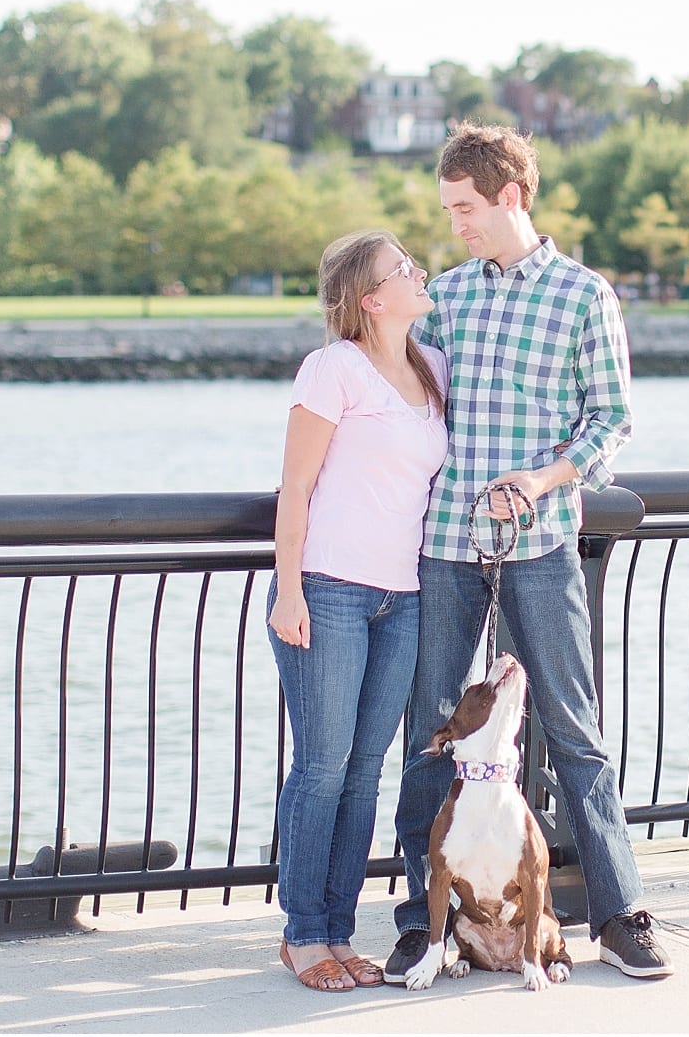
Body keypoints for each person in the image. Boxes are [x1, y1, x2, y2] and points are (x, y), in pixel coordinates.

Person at [384, 124, 673, 983]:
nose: (456, 225)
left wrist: (544, 479)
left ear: (510, 196)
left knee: (575, 732)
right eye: (448, 210)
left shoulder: (585, 296)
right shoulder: (447, 296)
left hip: (542, 543)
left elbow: (612, 420)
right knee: (427, 736)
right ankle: (420, 920)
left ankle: (621, 915)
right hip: (441, 545)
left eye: (465, 208)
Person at [266, 230, 447, 993]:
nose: (418, 270)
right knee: (321, 768)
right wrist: (290, 588)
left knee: (366, 770)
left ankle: (339, 930)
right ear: (371, 298)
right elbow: (296, 487)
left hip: (400, 597)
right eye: (402, 268)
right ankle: (304, 933)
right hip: (329, 591)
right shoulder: (333, 367)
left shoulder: (431, 366)